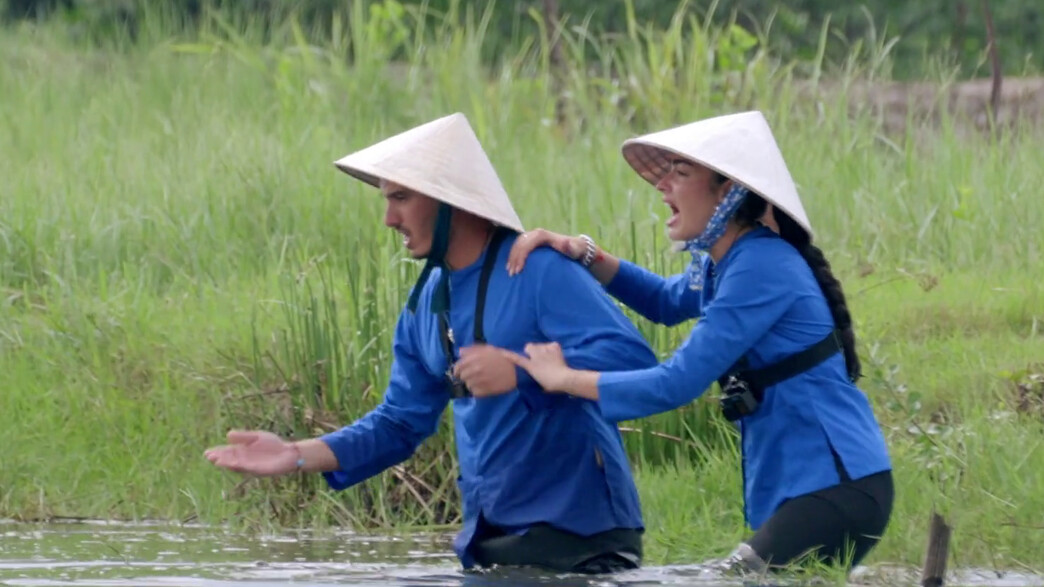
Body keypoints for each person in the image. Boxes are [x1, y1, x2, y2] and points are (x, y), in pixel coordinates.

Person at [203, 112, 659, 574]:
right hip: (489, 543)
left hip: (583, 541)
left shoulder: (539, 270)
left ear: (449, 201)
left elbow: (633, 359)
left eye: (400, 197)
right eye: (386, 200)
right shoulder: (424, 303)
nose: (388, 219)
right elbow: (399, 423)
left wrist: (523, 373)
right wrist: (296, 455)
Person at [472, 110, 894, 574]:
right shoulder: (726, 262)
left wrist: (563, 377)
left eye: (681, 172)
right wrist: (583, 252)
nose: (663, 184)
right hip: (802, 487)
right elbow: (666, 300)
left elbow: (674, 383)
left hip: (835, 484)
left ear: (729, 191)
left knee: (733, 581)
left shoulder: (761, 266)